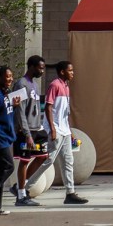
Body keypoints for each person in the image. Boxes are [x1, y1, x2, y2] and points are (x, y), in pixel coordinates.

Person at [25, 60, 87, 204]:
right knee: (49, 160)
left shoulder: (66, 86)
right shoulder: (55, 85)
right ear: (62, 72)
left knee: (68, 162)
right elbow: (48, 107)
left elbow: (64, 113)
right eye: (70, 71)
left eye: (73, 70)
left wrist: (69, 131)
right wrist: (52, 129)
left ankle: (70, 193)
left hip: (64, 131)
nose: (73, 73)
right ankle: (25, 188)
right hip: (55, 130)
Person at [11, 55, 49, 207]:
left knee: (43, 156)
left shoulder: (35, 84)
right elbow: (19, 111)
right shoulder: (21, 84)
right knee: (24, 161)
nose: (42, 71)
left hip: (36, 128)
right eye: (40, 68)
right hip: (24, 130)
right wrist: (27, 134)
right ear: (32, 67)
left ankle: (21, 185)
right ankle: (21, 196)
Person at [0, 66, 19, 216]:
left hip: (6, 137)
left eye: (11, 76)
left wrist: (13, 105)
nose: (10, 79)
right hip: (0, 139)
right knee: (8, 166)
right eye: (7, 76)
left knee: (0, 170)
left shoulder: (5, 94)